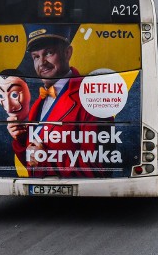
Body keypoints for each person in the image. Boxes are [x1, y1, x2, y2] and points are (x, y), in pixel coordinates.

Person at [21, 25, 101, 177]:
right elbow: (32, 166)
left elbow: (98, 167)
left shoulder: (90, 97)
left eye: (49, 53)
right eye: (36, 57)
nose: (41, 63)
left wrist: (46, 160)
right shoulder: (39, 103)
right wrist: (21, 142)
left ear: (68, 53)